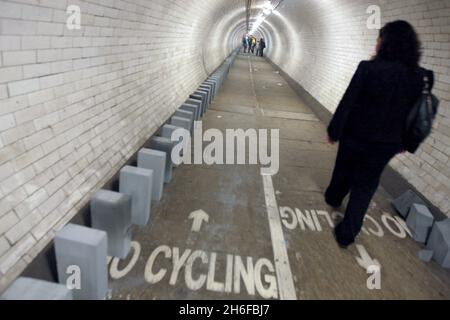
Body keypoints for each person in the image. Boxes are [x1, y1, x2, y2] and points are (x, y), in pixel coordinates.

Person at [325, 21, 432, 248]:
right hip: (387, 144)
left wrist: (334, 130)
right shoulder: (421, 77)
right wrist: (407, 142)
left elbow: (348, 102)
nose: (376, 42)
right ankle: (347, 233)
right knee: (366, 185)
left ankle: (333, 197)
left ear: (386, 43)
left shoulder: (368, 68)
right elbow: (417, 115)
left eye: (379, 38)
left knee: (344, 170)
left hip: (355, 137)